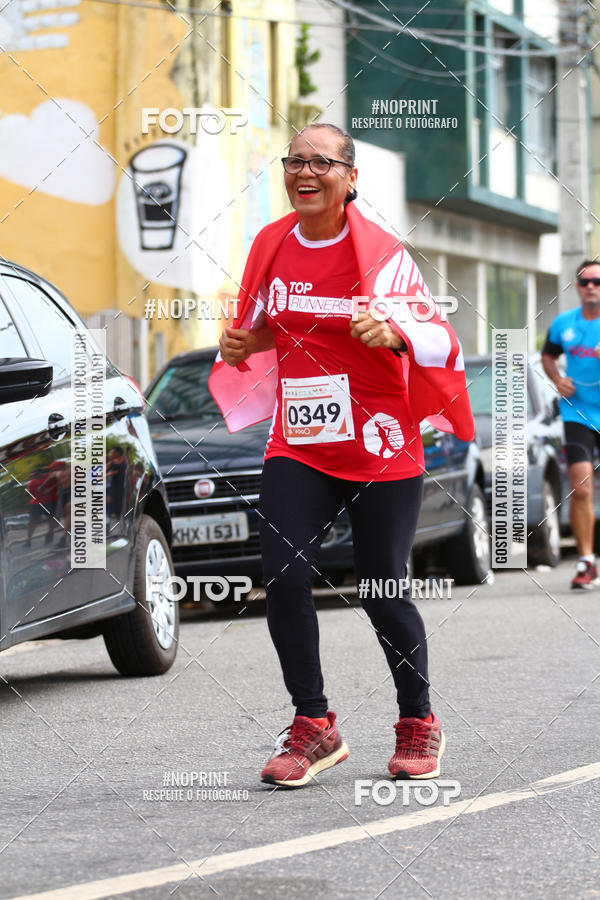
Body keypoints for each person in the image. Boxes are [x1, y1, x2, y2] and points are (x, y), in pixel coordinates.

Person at [209, 123, 473, 788]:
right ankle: (314, 726)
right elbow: (268, 323)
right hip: (300, 439)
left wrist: (392, 331)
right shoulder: (271, 245)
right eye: (295, 160)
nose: (305, 172)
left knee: (382, 584)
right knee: (287, 576)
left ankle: (418, 720)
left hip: (380, 441)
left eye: (321, 163)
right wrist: (246, 344)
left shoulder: (382, 254)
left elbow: (438, 335)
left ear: (351, 178)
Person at [542, 259, 600, 589]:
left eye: (597, 281)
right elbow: (548, 355)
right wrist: (557, 378)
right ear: (577, 286)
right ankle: (587, 561)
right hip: (577, 412)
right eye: (584, 281)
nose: (591, 286)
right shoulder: (565, 323)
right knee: (581, 486)